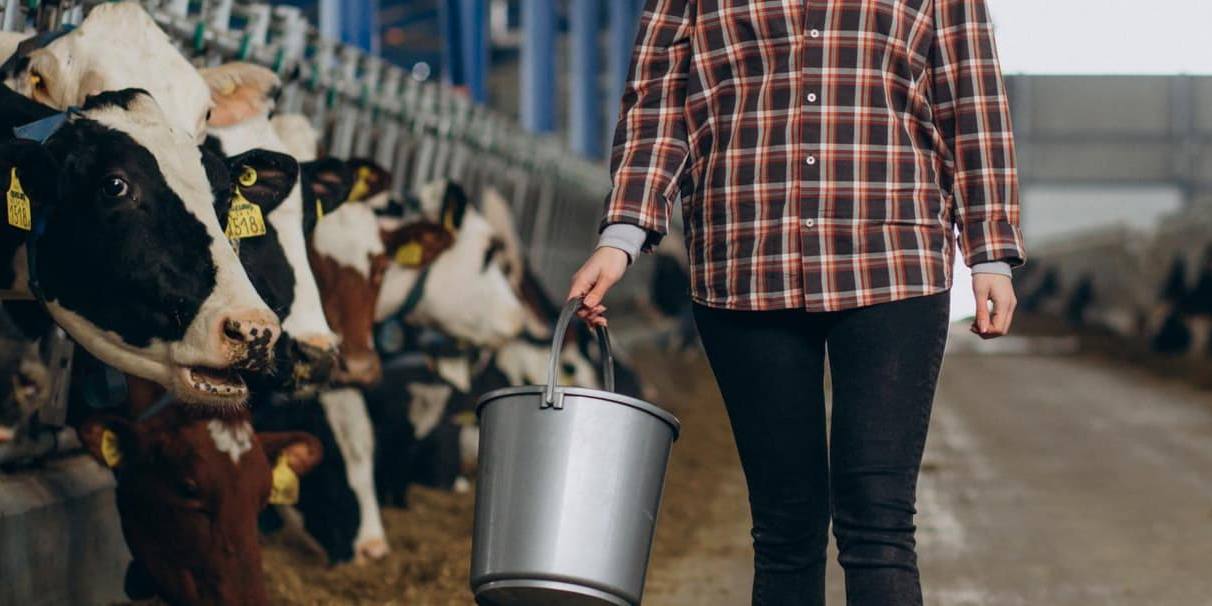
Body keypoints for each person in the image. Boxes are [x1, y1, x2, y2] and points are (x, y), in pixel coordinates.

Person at [567, 1, 1025, 605]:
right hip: (746, 261)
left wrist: (989, 252)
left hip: (893, 257)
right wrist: (622, 236)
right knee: (785, 527)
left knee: (879, 520)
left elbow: (971, 96)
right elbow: (659, 99)